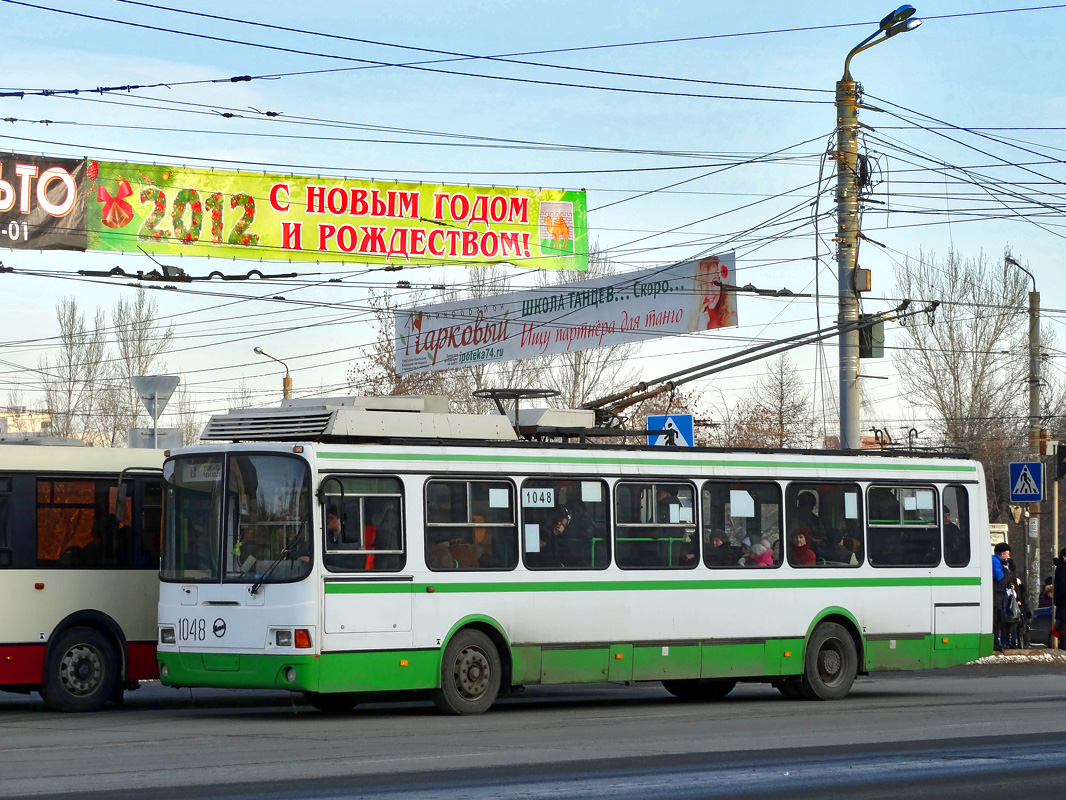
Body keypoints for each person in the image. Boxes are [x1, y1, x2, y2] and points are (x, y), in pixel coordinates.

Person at [992, 542, 1012, 651]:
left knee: (999, 620)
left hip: (999, 595)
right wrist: (1005, 569)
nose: (1008, 557)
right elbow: (999, 577)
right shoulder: (994, 562)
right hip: (995, 595)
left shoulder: (1000, 562)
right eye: (1007, 554)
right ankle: (994, 642)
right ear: (1002, 553)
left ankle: (996, 641)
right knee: (995, 620)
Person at [1053, 547, 1066, 650]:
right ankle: (1063, 643)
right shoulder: (1062, 568)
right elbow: (1063, 585)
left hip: (1062, 600)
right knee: (1063, 621)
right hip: (1063, 600)